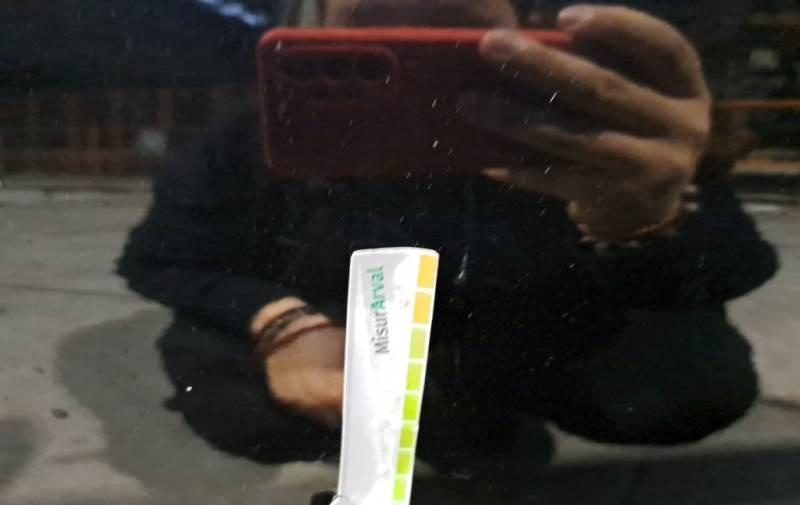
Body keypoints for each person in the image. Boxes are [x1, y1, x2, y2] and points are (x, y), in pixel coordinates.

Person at [117, 0, 779, 471]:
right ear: (316, 28)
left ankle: (449, 407)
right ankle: (447, 409)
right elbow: (157, 258)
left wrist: (641, 213)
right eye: (375, 29)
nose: (417, 57)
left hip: (522, 323)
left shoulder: (583, 127)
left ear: (525, 29)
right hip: (346, 321)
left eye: (454, 35)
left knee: (688, 387)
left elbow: (738, 261)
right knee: (242, 408)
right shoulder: (250, 137)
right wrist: (280, 321)